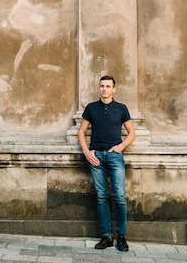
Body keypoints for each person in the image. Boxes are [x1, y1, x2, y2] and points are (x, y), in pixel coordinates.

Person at [77, 75, 136, 252]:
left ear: (113, 89)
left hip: (114, 156)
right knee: (101, 196)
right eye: (102, 86)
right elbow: (81, 132)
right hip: (96, 157)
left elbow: (131, 133)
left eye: (108, 86)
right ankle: (106, 236)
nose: (104, 89)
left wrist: (120, 147)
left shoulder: (121, 108)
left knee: (119, 196)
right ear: (99, 88)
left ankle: (121, 237)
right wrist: (87, 152)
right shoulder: (91, 108)